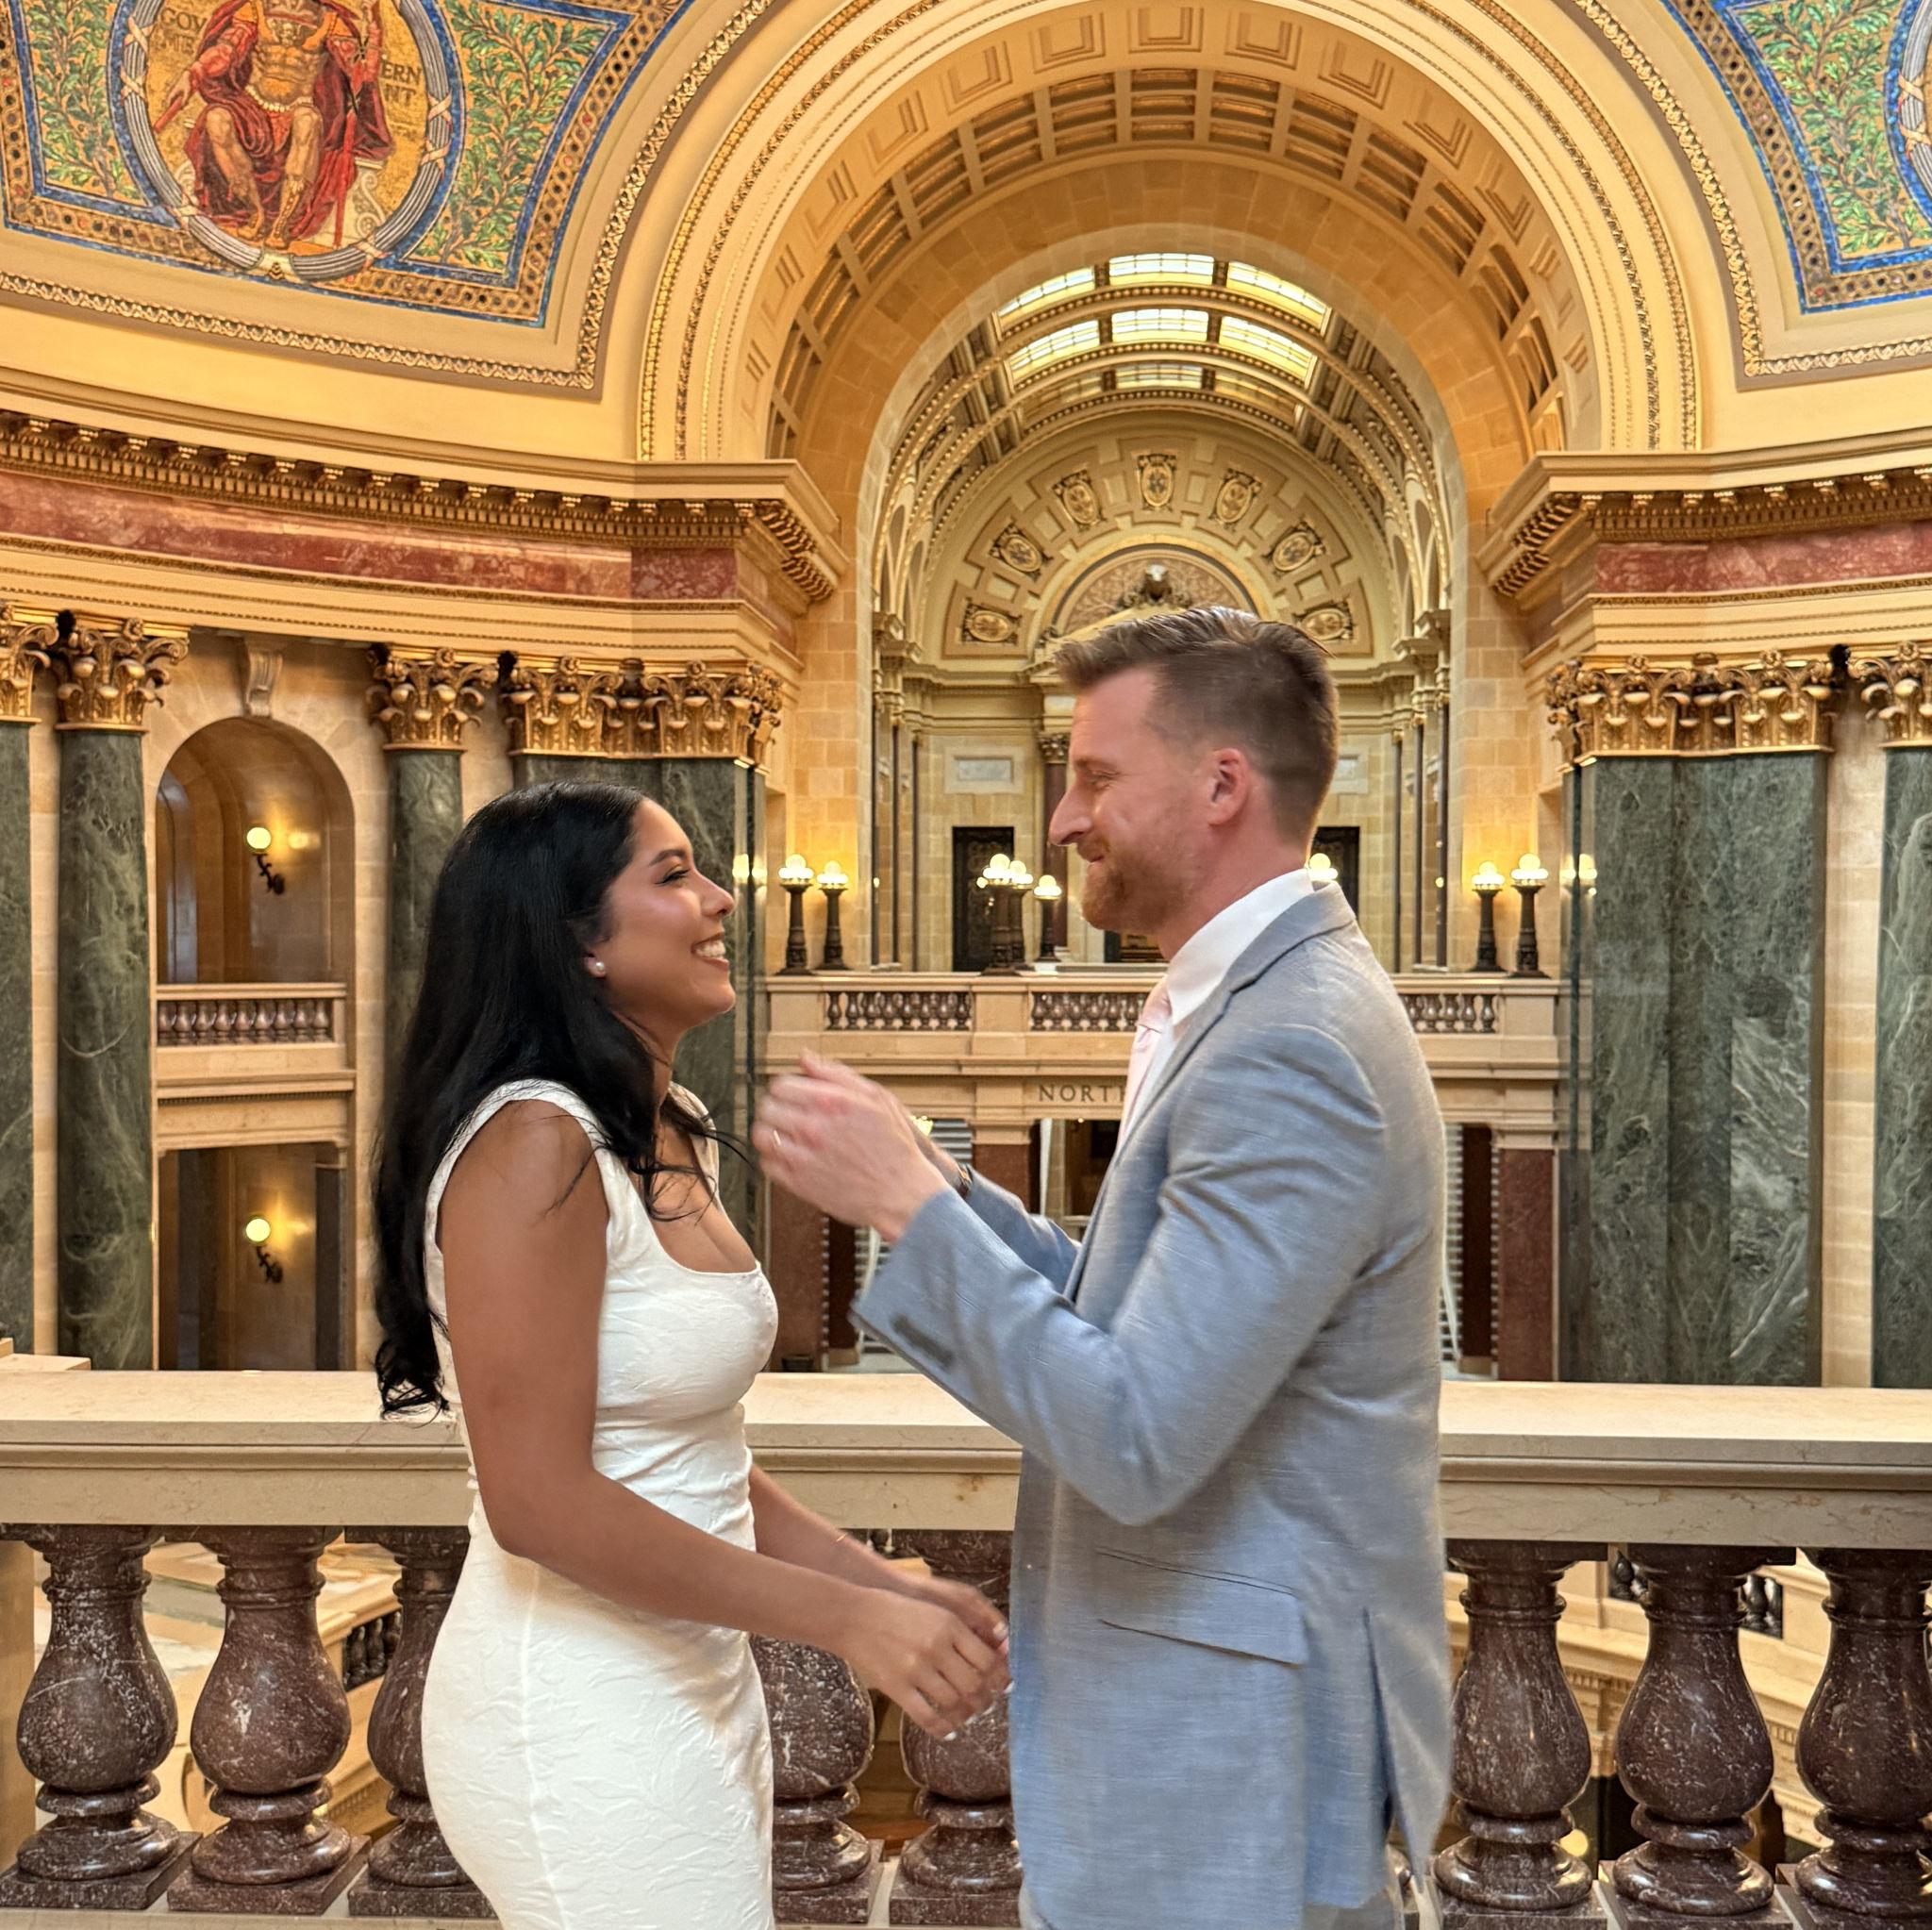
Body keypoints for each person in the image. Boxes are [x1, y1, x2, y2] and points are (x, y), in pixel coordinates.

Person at [757, 608, 1452, 1930]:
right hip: (1213, 1722)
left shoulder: (1292, 1042)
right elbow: (1140, 1302)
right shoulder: (1241, 1005)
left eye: (1095, 775)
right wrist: (945, 1187)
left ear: (1222, 785)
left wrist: (909, 1205)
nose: (1064, 820)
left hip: (1233, 1746)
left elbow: (1134, 1428)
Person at [372, 781, 1008, 1930]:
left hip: (689, 1682)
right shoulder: (532, 1145)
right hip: (572, 1705)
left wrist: (886, 1588)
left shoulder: (668, 1126)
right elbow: (539, 1503)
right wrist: (842, 1622)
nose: (720, 900)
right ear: (578, 940)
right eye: (671, 877)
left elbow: (696, 1460)